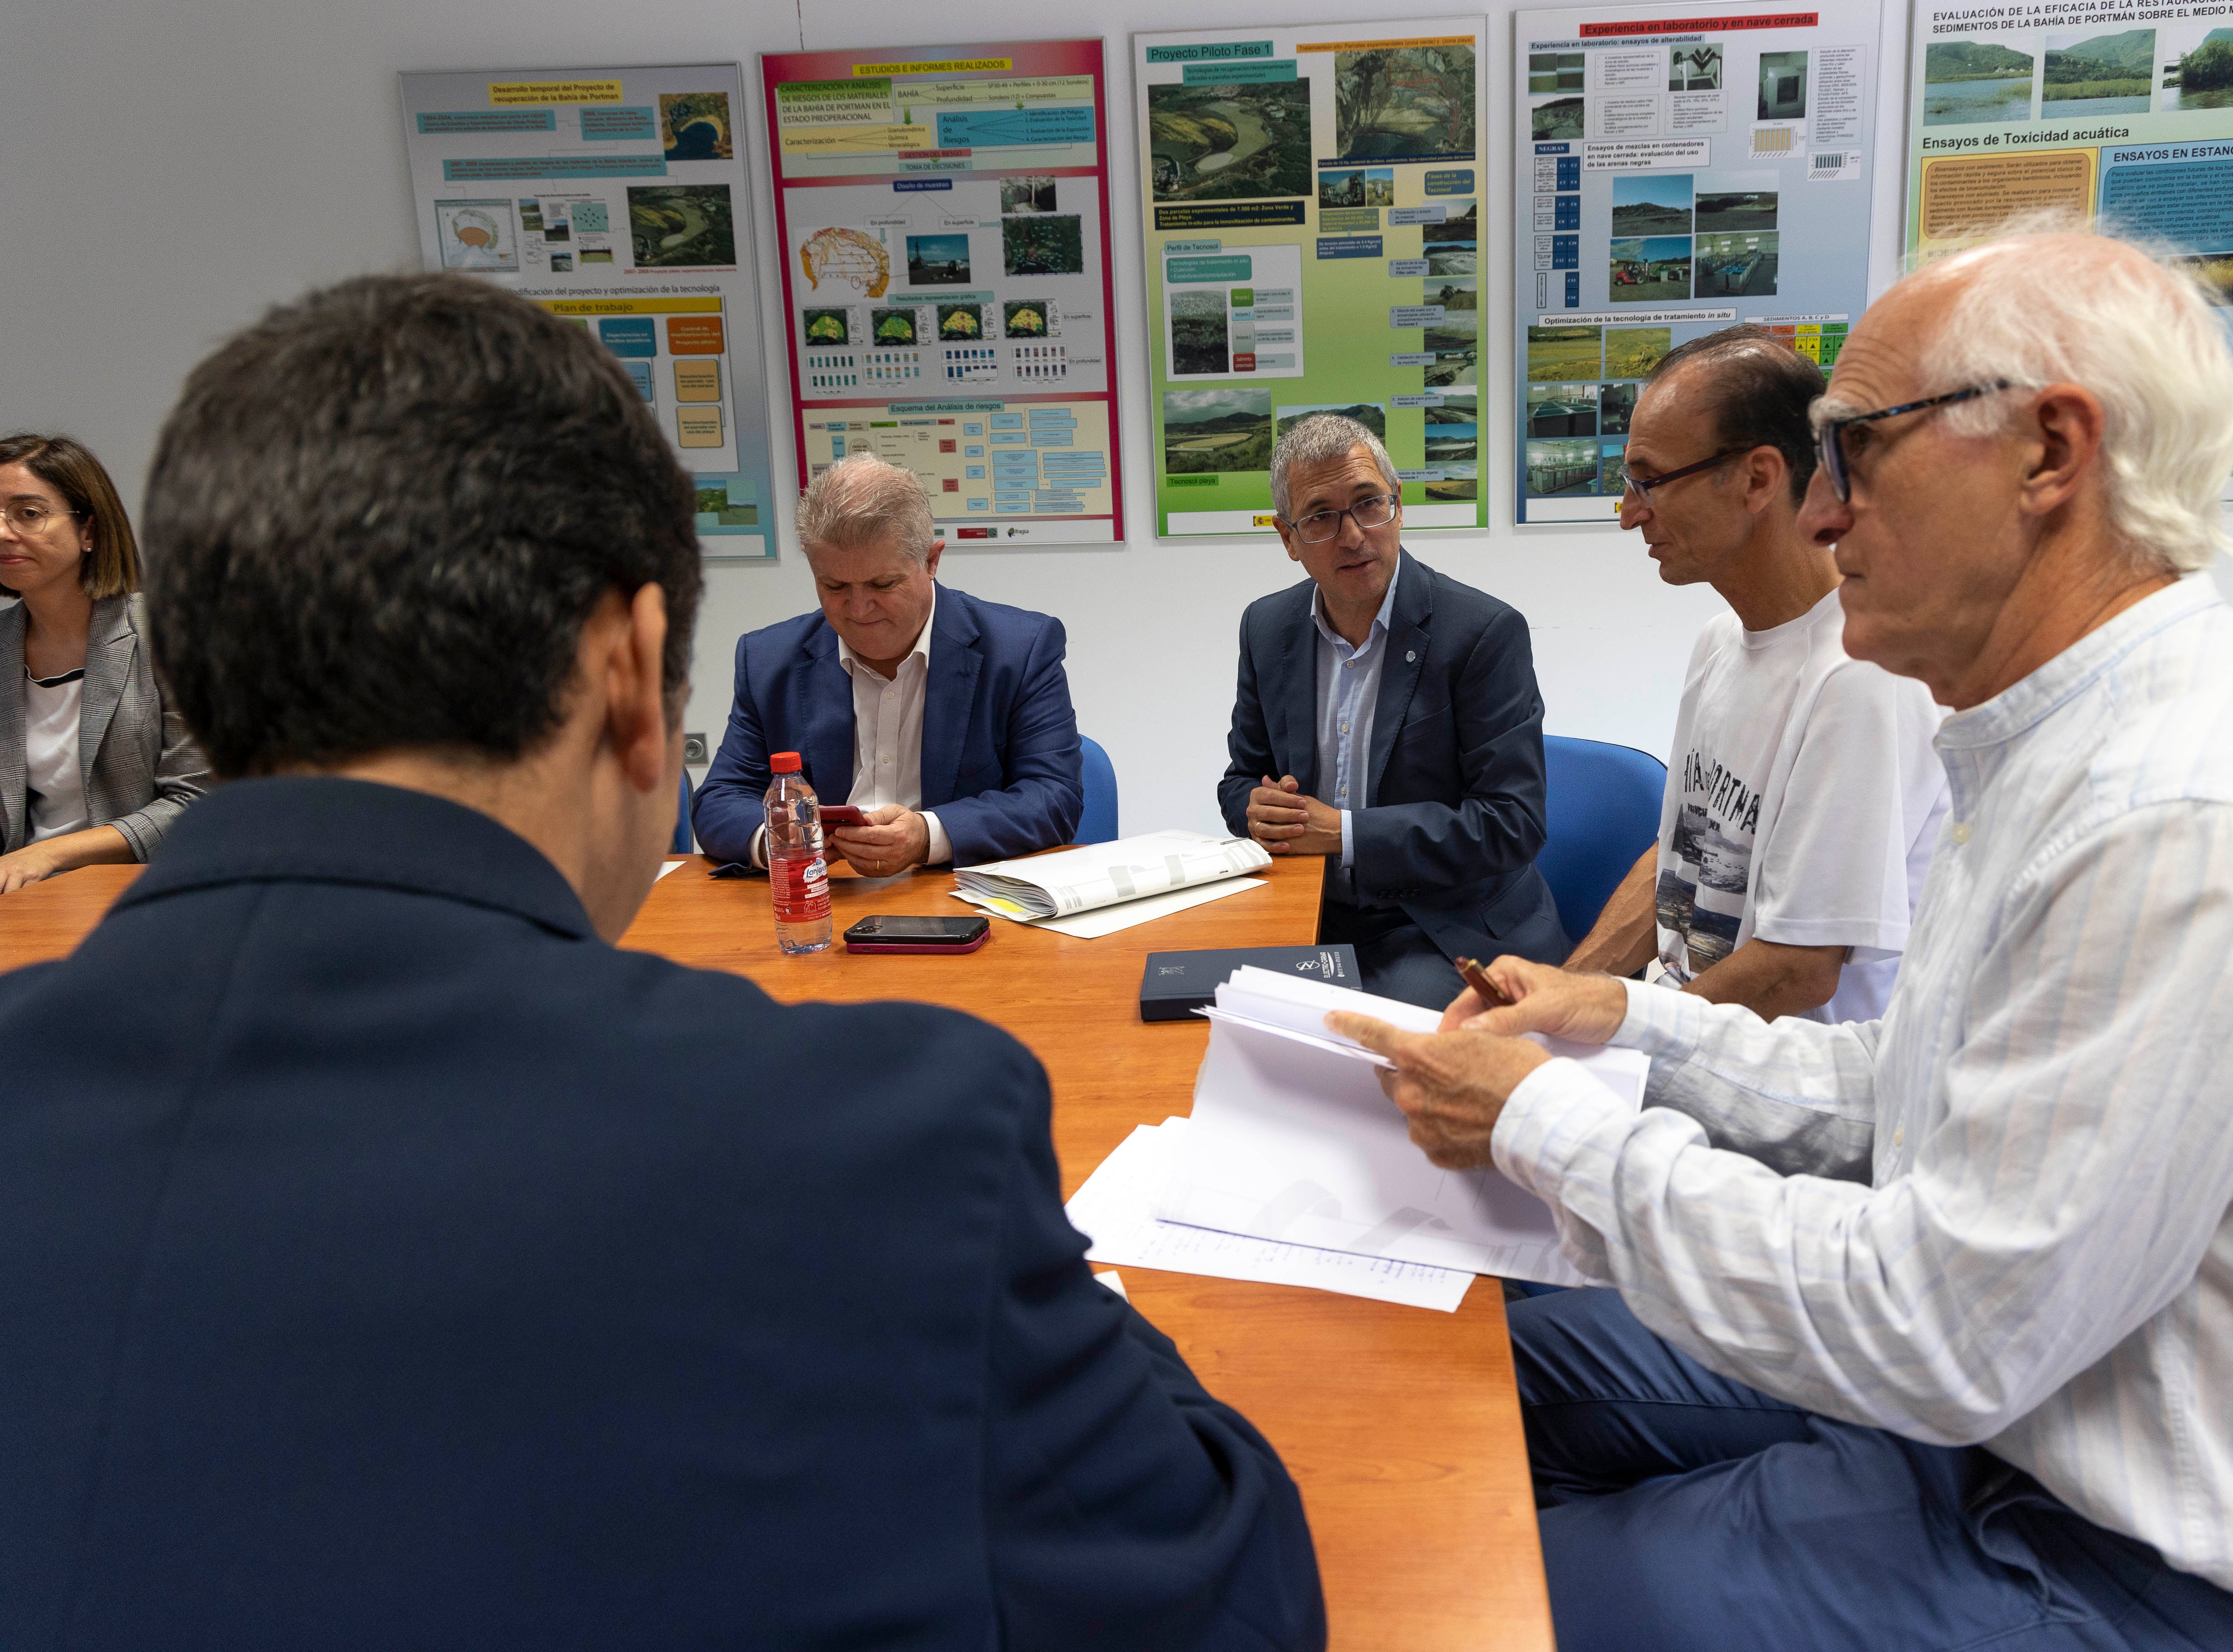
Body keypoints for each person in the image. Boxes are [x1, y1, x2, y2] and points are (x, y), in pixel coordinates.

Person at [0, 273, 1322, 1651]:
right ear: (636, 671)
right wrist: (1061, 1281)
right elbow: (1237, 1601)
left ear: (198, 670)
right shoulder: (887, 1140)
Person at [1325, 226, 2233, 1649]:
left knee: (1458, 1583)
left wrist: (1548, 1126)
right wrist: (1623, 1024)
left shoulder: (2186, 810)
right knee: (1466, 1423)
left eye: (1857, 453)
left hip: (2129, 1567)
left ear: (2051, 452)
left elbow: (1943, 1330)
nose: (1822, 516)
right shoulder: (2058, 743)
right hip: (2006, 1438)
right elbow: (1904, 1088)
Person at [1565, 327, 1949, 1023]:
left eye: (1649, 482)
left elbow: (1795, 973)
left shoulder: (1863, 676)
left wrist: (1604, 1031)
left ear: (1757, 479)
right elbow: (1679, 861)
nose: (1629, 514)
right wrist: (1559, 991)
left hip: (1773, 1092)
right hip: (1686, 1038)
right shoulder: (1720, 644)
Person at [1220, 413, 1564, 1009]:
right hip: (1314, 913)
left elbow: (1512, 824)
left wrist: (1345, 835)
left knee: (1373, 1045)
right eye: (1322, 517)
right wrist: (1255, 809)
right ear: (1288, 538)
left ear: (1398, 507)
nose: (1353, 535)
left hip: (1444, 924)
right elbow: (1239, 783)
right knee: (1202, 1005)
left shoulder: (1481, 633)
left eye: (1368, 504)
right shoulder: (1267, 628)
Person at [692, 454, 1081, 877]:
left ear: (932, 561)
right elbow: (720, 800)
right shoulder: (768, 660)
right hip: (819, 893)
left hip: (957, 893)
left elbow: (1053, 796)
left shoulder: (1019, 650)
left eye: (883, 584)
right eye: (835, 586)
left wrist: (927, 836)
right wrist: (784, 843)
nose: (858, 609)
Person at [0, 433, 209, 892]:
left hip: (148, 893)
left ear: (89, 531)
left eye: (28, 514)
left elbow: (198, 799)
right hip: (19, 898)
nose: (2, 532)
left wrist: (47, 854)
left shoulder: (167, 635)